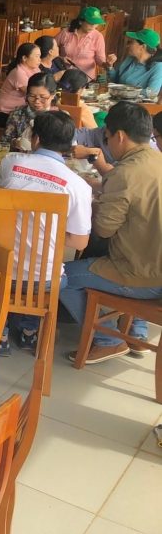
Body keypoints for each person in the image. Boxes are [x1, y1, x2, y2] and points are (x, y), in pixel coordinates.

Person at [58, 102, 162, 363]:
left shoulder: (125, 173)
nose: (107, 143)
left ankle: (109, 341)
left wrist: (92, 203)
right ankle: (136, 329)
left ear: (120, 136)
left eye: (107, 137)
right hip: (154, 265)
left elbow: (104, 230)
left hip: (142, 276)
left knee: (59, 275)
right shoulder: (157, 159)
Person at [0, 111, 91, 352]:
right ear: (70, 144)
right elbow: (79, 242)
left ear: (36, 138)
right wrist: (49, 232)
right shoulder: (78, 186)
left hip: (0, 270)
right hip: (44, 281)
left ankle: (0, 332)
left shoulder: (11, 162)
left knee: (8, 262)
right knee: (49, 272)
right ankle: (29, 331)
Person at [1, 71, 59, 149]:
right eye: (32, 96)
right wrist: (15, 142)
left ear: (53, 95)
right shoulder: (18, 114)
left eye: (42, 97)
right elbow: (4, 142)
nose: (37, 101)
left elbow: (64, 147)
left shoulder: (59, 118)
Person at [0, 42, 43, 121]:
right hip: (5, 113)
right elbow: (32, 94)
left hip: (20, 111)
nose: (39, 59)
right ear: (24, 58)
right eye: (36, 56)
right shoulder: (18, 72)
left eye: (40, 56)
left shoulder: (36, 69)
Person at [57, 6, 108, 77]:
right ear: (80, 22)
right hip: (63, 75)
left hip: (85, 78)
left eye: (96, 23)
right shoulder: (66, 33)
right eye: (90, 23)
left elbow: (100, 59)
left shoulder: (98, 37)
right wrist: (60, 58)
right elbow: (50, 49)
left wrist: (107, 64)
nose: (94, 26)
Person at [107, 28, 162, 94]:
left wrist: (125, 91)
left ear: (142, 47)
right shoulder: (130, 59)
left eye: (132, 42)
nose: (128, 45)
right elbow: (115, 80)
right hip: (119, 98)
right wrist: (110, 66)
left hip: (136, 101)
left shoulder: (158, 67)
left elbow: (152, 93)